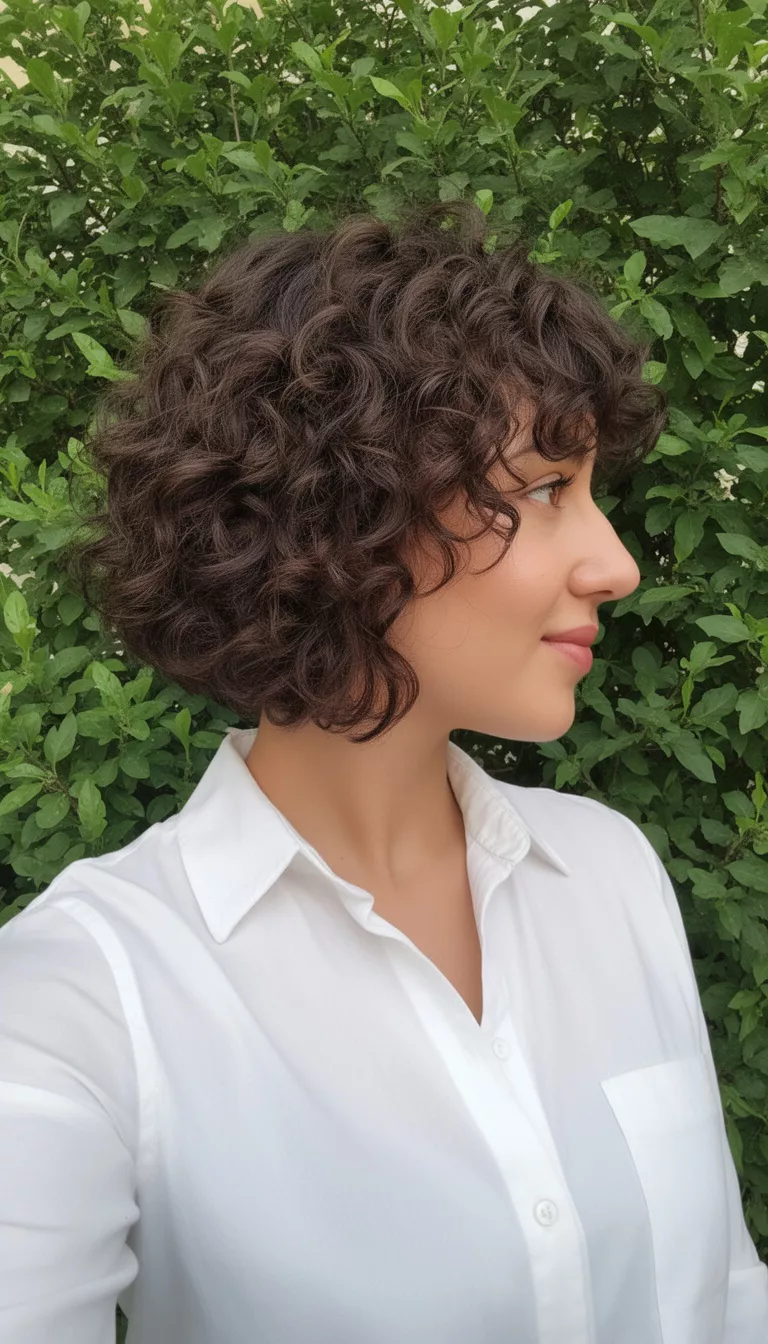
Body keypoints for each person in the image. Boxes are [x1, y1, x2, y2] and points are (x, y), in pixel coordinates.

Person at [0, 200, 765, 1344]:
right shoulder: (84, 1001)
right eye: (551, 488)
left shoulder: (608, 874)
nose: (615, 564)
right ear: (345, 509)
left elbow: (723, 1298)